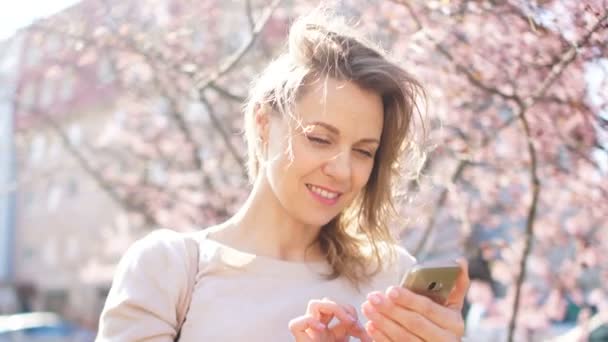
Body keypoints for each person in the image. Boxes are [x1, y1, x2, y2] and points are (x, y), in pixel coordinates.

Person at [96, 7, 469, 342]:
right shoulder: (168, 267)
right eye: (320, 138)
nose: (342, 170)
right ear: (262, 124)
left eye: (363, 151)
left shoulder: (391, 279)